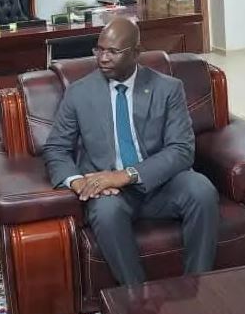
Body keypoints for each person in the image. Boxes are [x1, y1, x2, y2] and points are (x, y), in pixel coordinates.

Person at [42, 17, 219, 285]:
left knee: (202, 190)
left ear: (136, 53)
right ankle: (136, 296)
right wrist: (78, 182)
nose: (103, 58)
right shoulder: (79, 93)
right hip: (110, 192)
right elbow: (56, 148)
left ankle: (199, 286)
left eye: (113, 51)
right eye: (99, 49)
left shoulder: (168, 88)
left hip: (161, 183)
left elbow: (182, 149)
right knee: (106, 213)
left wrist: (127, 175)